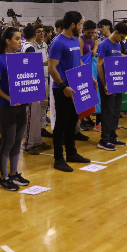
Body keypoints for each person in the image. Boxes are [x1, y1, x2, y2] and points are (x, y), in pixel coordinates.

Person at [47, 11, 92, 172]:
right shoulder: (58, 42)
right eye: (80, 24)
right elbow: (52, 67)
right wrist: (63, 86)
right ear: (73, 25)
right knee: (61, 123)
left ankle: (71, 153)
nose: (81, 27)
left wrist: (88, 76)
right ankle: (58, 158)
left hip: (76, 85)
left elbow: (77, 60)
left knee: (73, 120)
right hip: (63, 89)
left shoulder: (74, 40)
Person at [0, 27, 30, 191]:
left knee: (17, 142)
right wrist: (9, 98)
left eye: (21, 38)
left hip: (22, 107)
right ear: (8, 41)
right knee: (7, 143)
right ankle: (3, 178)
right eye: (17, 39)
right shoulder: (0, 61)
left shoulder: (20, 59)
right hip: (6, 108)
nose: (20, 41)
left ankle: (13, 173)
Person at [95, 22, 127, 148]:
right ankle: (104, 140)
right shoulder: (104, 44)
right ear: (116, 32)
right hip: (107, 83)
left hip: (117, 83)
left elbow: (119, 63)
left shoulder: (118, 45)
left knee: (116, 111)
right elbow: (99, 65)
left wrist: (124, 83)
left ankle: (112, 137)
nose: (123, 39)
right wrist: (104, 84)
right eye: (122, 36)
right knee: (107, 112)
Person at [21, 24, 52, 153]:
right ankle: (28, 144)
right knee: (31, 116)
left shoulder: (30, 46)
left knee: (37, 115)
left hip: (35, 82)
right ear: (34, 33)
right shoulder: (29, 47)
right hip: (31, 85)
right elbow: (30, 68)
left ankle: (37, 140)